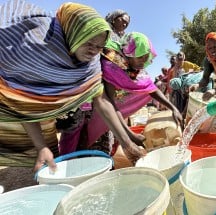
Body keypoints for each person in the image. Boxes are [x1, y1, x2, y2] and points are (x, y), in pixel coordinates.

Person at [0, 0, 142, 173]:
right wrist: (40, 146)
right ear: (74, 34)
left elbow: (102, 99)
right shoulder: (35, 51)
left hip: (62, 108)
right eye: (89, 43)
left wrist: (128, 145)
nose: (93, 50)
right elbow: (23, 100)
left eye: (98, 47)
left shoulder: (91, 63)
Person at [58, 32, 183, 165]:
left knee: (105, 148)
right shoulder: (112, 65)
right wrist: (130, 136)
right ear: (129, 53)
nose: (143, 62)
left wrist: (173, 108)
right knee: (79, 145)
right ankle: (70, 169)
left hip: (106, 112)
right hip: (88, 108)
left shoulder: (134, 67)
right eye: (140, 57)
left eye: (146, 58)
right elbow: (110, 104)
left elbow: (151, 89)